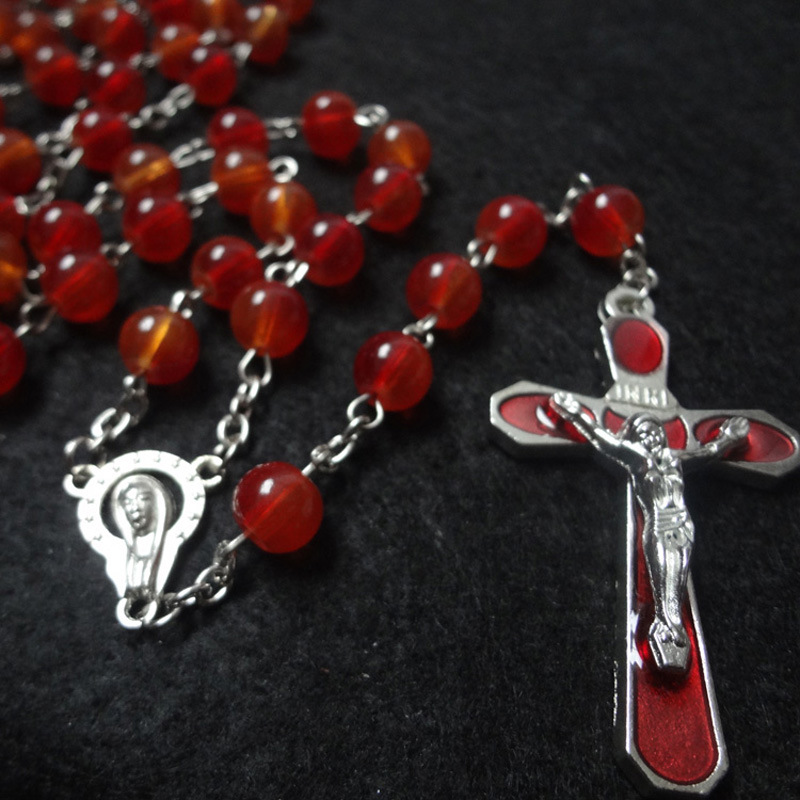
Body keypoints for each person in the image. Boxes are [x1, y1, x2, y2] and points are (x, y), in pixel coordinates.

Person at [550, 392, 749, 672]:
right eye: (643, 432)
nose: (651, 436)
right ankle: (664, 632)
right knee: (663, 583)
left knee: (677, 583)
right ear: (635, 438)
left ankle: (674, 631)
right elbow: (603, 439)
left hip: (682, 526)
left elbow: (708, 452)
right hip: (660, 525)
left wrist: (729, 437)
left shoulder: (674, 458)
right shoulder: (636, 458)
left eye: (655, 431)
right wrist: (575, 415)